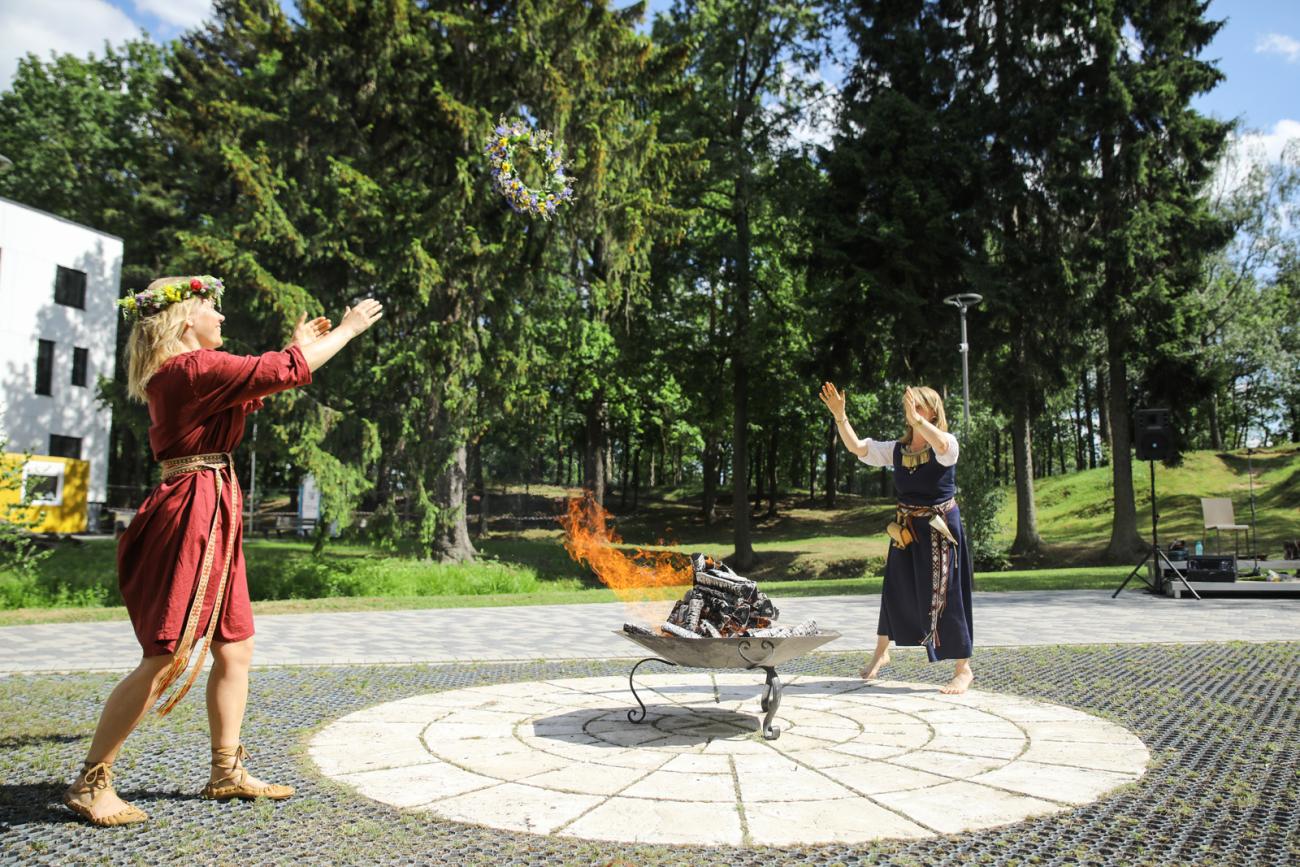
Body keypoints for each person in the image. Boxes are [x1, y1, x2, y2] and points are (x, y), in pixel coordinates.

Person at [63, 275, 383, 827]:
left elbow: (268, 375)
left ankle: (226, 771)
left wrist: (294, 347)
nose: (222, 317)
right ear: (187, 318)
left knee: (235, 646)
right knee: (165, 654)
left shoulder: (191, 372)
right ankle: (92, 782)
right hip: (192, 513)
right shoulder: (190, 368)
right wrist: (349, 329)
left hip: (212, 507)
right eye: (213, 308)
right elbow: (282, 371)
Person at [819, 382, 974, 695]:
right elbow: (858, 448)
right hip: (906, 530)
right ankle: (881, 652)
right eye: (909, 405)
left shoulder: (946, 445)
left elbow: (942, 446)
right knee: (894, 589)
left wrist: (919, 423)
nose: (911, 411)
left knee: (947, 596)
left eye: (918, 405)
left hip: (940, 530)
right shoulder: (897, 450)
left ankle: (963, 669)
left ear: (933, 412)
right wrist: (840, 417)